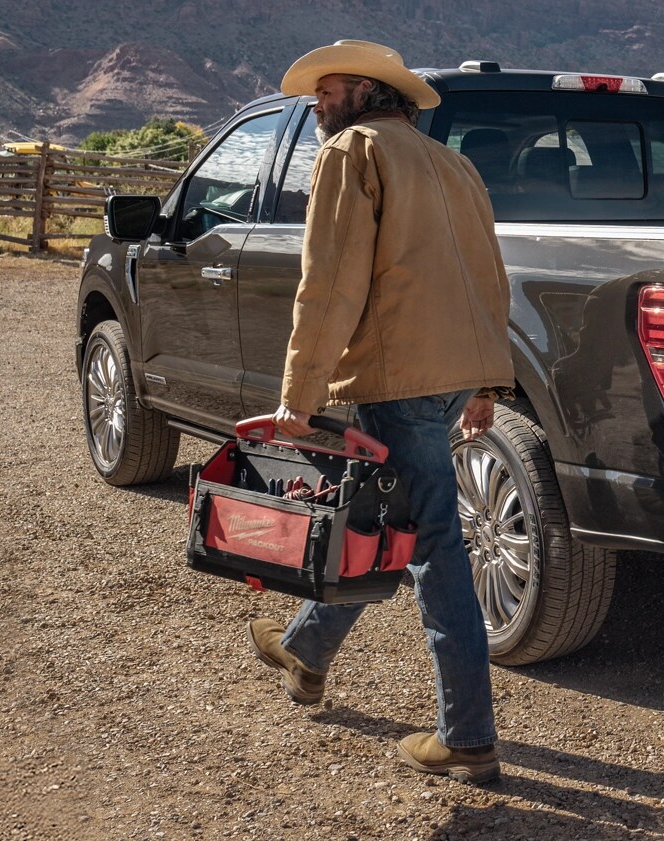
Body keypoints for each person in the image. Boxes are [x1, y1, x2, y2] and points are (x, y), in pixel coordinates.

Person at [244, 39, 515, 784]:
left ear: (366, 90)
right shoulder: (454, 164)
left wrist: (298, 397)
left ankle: (468, 739)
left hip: (396, 376)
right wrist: (489, 381)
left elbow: (328, 287)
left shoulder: (352, 152)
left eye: (327, 91)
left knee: (431, 544)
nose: (317, 104)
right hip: (451, 373)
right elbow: (491, 276)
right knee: (382, 523)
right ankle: (306, 648)